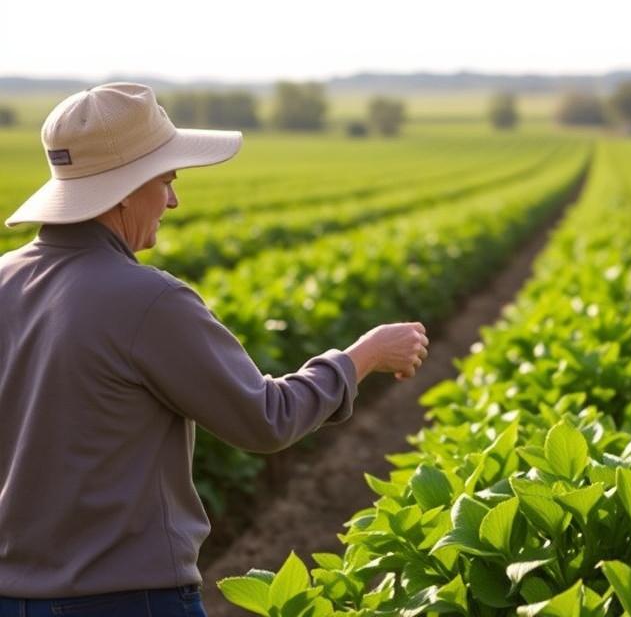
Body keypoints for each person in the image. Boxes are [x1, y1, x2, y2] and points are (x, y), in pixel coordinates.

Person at [0, 83, 429, 615]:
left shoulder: (4, 281)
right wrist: (362, 356)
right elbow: (265, 420)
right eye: (167, 179)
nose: (174, 200)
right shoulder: (149, 301)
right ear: (125, 189)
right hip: (126, 600)